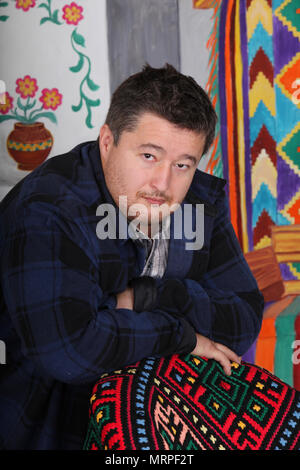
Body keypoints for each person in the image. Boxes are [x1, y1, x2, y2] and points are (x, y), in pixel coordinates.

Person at [0, 64, 264, 450]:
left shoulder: (198, 203)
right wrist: (183, 336)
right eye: (148, 155)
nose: (163, 183)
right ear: (108, 142)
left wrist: (149, 299)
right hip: (47, 424)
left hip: (162, 418)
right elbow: (70, 352)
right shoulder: (51, 208)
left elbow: (243, 320)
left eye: (182, 164)